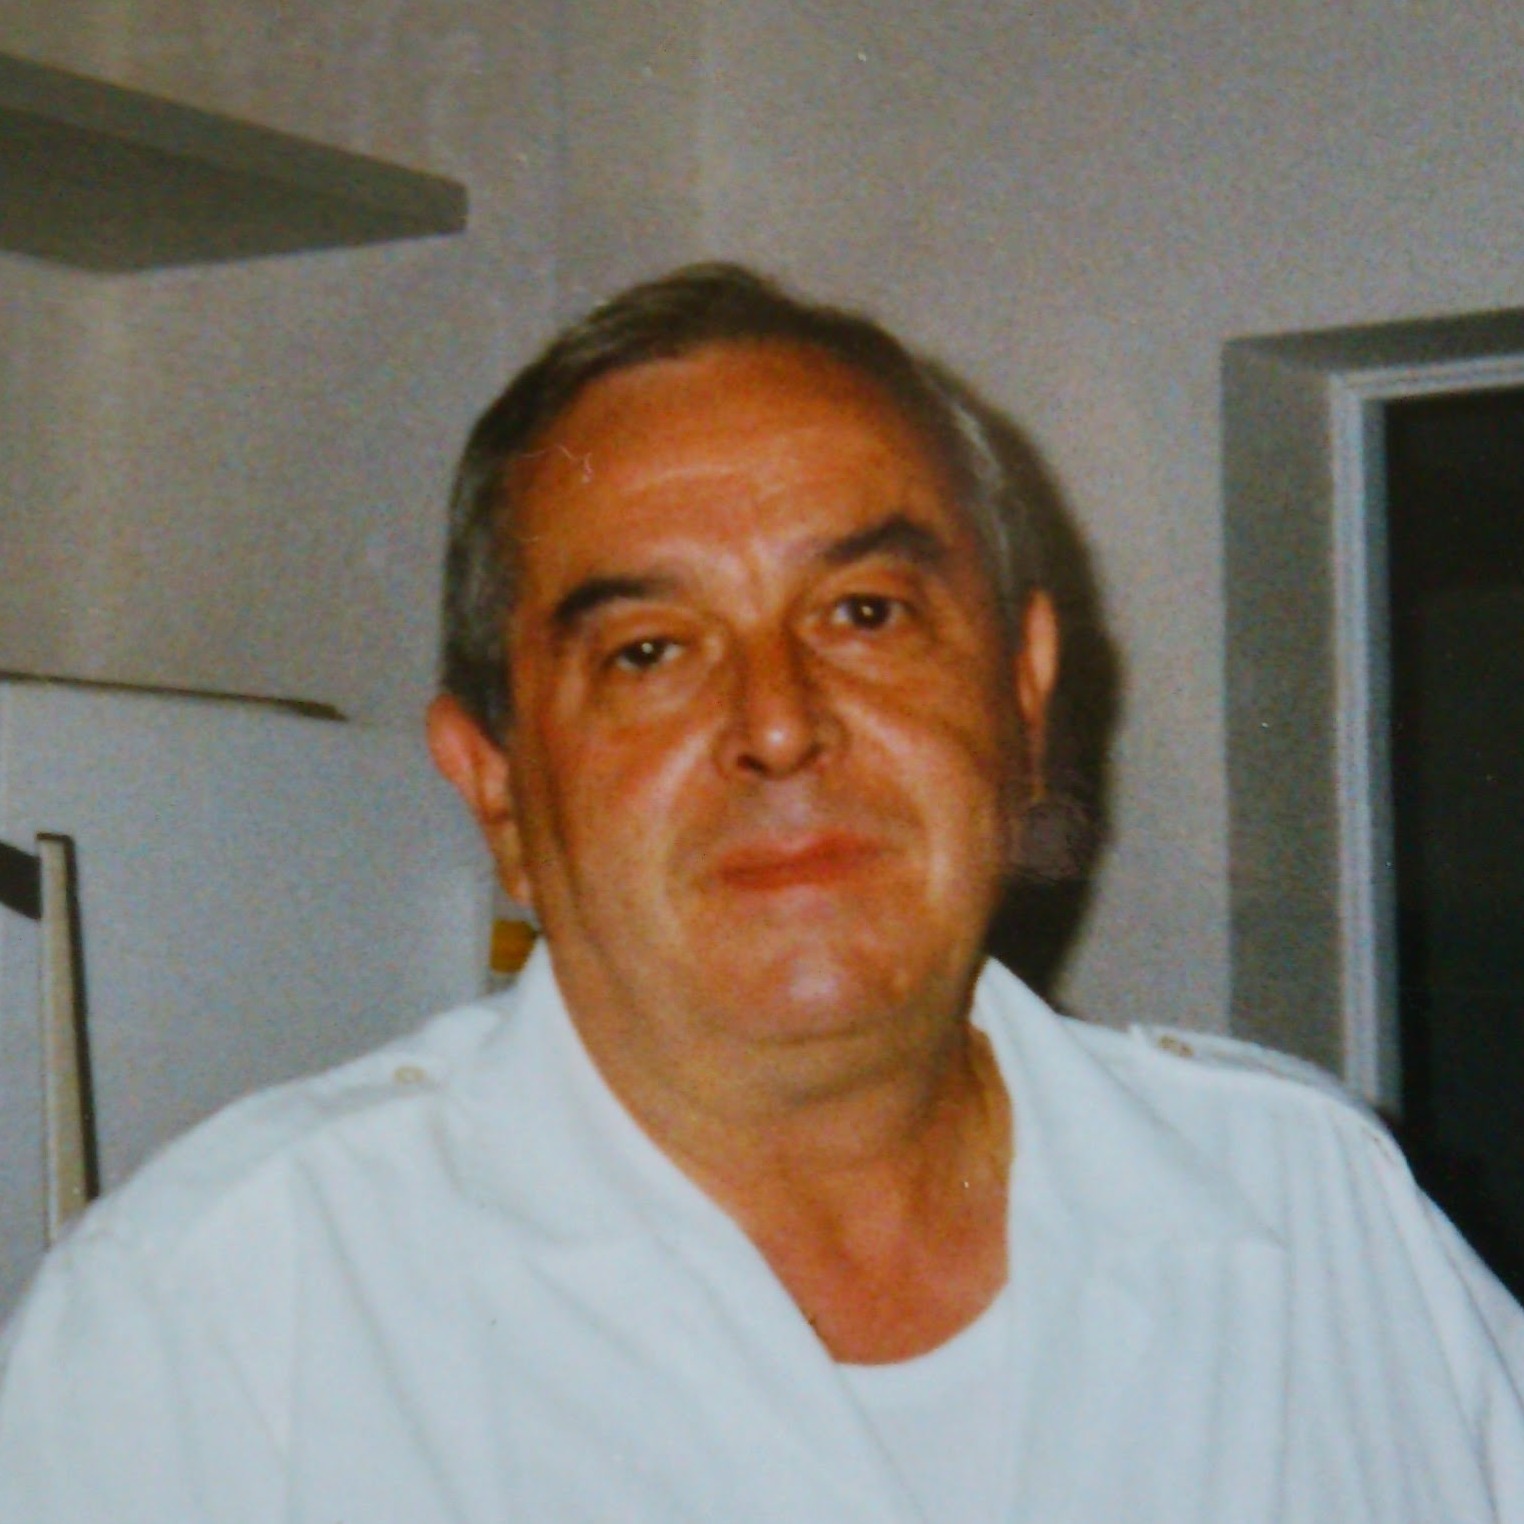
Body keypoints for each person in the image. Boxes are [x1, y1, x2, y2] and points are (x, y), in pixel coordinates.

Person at [1, 265, 1522, 1522]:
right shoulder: (220, 1324)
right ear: (498, 788)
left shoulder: (1318, 1214)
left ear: (1024, 696)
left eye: (865, 612)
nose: (780, 724)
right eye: (649, 651)